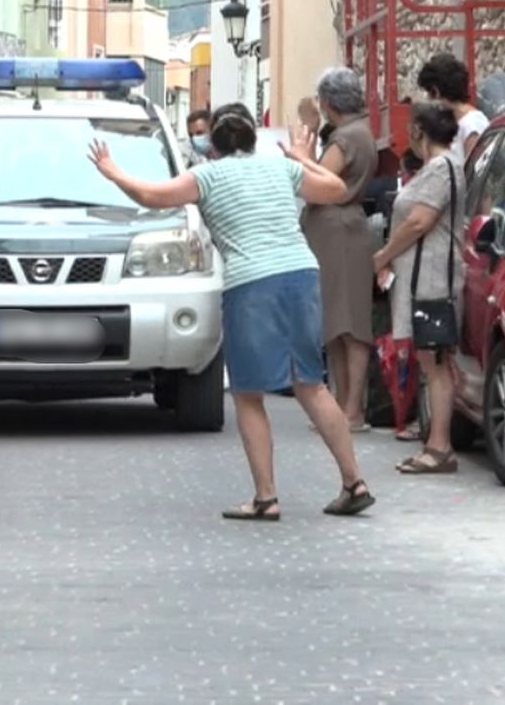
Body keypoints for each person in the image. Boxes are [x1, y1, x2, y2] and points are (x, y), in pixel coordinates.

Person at [88, 105, 375, 520]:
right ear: (252, 142)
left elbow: (152, 196)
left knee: (248, 393)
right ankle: (354, 482)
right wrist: (300, 156)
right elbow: (334, 188)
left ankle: (266, 497)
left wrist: (113, 171)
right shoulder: (281, 170)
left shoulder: (207, 176)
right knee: (311, 384)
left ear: (213, 150)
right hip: (300, 274)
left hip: (252, 283)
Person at [373, 103, 469, 468]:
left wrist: (382, 256)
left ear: (418, 132)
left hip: (432, 281)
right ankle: (436, 443)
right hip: (424, 278)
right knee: (431, 362)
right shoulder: (441, 168)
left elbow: (419, 222)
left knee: (435, 362)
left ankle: (440, 446)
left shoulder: (441, 169)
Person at [299, 68, 379, 432]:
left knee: (348, 322)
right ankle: (345, 404)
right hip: (340, 230)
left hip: (337, 231)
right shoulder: (358, 132)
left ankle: (351, 408)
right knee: (339, 320)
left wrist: (302, 150)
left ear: (329, 103)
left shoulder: (346, 138)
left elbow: (316, 182)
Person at [417, 52, 488, 160]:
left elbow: (474, 172)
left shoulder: (472, 125)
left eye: (428, 93)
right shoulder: (456, 124)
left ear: (435, 92)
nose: (428, 99)